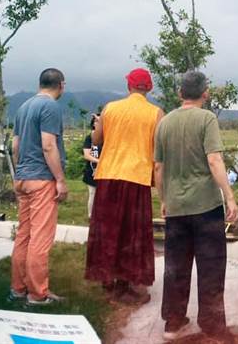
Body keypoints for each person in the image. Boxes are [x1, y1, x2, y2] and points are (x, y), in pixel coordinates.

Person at [154, 71, 238, 340]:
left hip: (176, 206)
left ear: (180, 94)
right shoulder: (207, 119)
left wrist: (164, 199)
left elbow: (158, 167)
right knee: (211, 266)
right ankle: (212, 324)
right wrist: (230, 196)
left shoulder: (164, 122)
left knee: (176, 266)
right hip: (205, 206)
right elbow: (214, 160)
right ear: (206, 93)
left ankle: (173, 322)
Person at [85, 68, 164, 304]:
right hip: (137, 177)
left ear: (128, 86)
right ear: (148, 88)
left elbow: (97, 140)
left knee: (107, 229)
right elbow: (158, 148)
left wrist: (101, 125)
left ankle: (107, 279)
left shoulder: (110, 108)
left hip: (108, 175)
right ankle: (126, 283)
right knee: (132, 233)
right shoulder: (156, 113)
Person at [9, 68, 67, 306]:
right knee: (40, 239)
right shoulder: (50, 107)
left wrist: (19, 173)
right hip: (42, 179)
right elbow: (48, 145)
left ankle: (18, 289)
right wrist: (61, 180)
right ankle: (37, 294)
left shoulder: (23, 107)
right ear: (61, 85)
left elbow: (15, 146)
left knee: (24, 235)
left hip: (23, 177)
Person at [82, 114, 101, 217]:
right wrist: (99, 161)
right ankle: (91, 215)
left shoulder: (107, 137)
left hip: (105, 171)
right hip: (92, 170)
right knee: (93, 193)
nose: (98, 123)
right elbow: (87, 155)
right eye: (96, 121)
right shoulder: (90, 137)